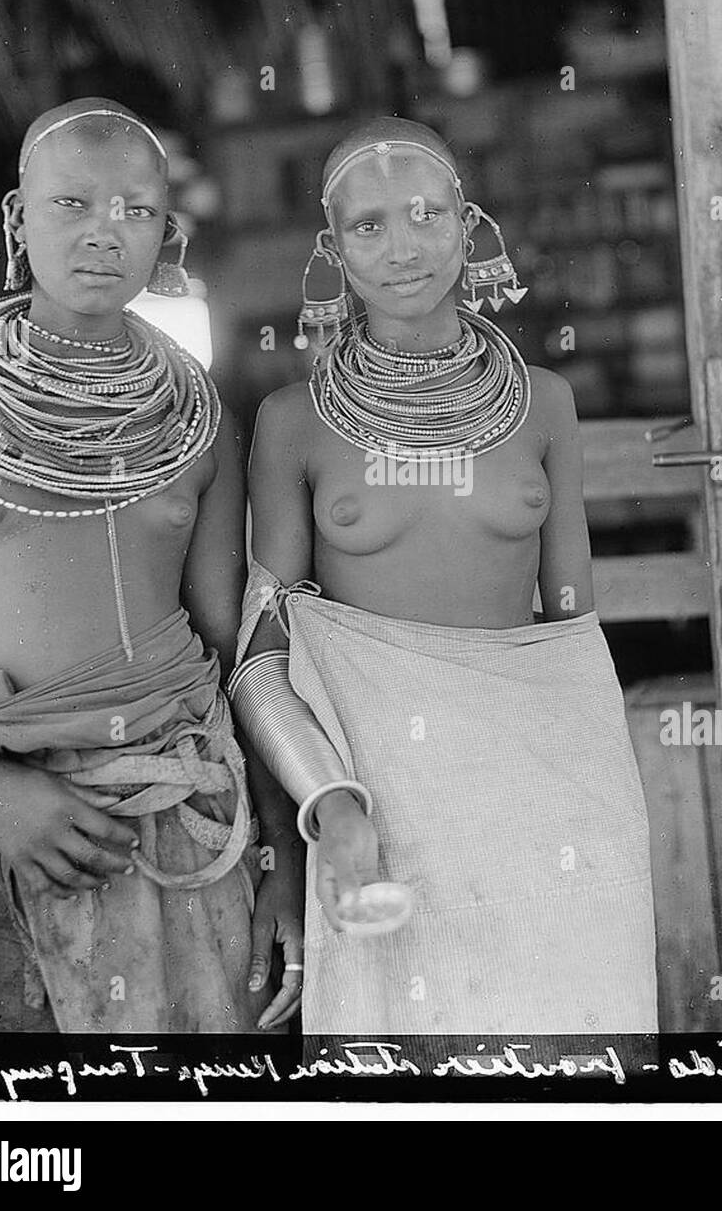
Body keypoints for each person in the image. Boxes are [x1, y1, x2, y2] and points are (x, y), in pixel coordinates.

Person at [230, 116, 658, 1035]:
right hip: (373, 805)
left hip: (552, 799)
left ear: (469, 225)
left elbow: (574, 642)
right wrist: (328, 803)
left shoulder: (546, 403)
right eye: (367, 226)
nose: (402, 248)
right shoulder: (291, 423)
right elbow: (260, 659)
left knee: (572, 1056)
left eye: (425, 215)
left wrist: (601, 819)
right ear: (332, 250)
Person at [0, 97, 303, 1033]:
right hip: (7, 820)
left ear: (167, 232)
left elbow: (233, 641)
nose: (102, 234)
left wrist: (280, 857)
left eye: (134, 211)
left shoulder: (196, 411)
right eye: (71, 205)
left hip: (188, 813)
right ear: (17, 218)